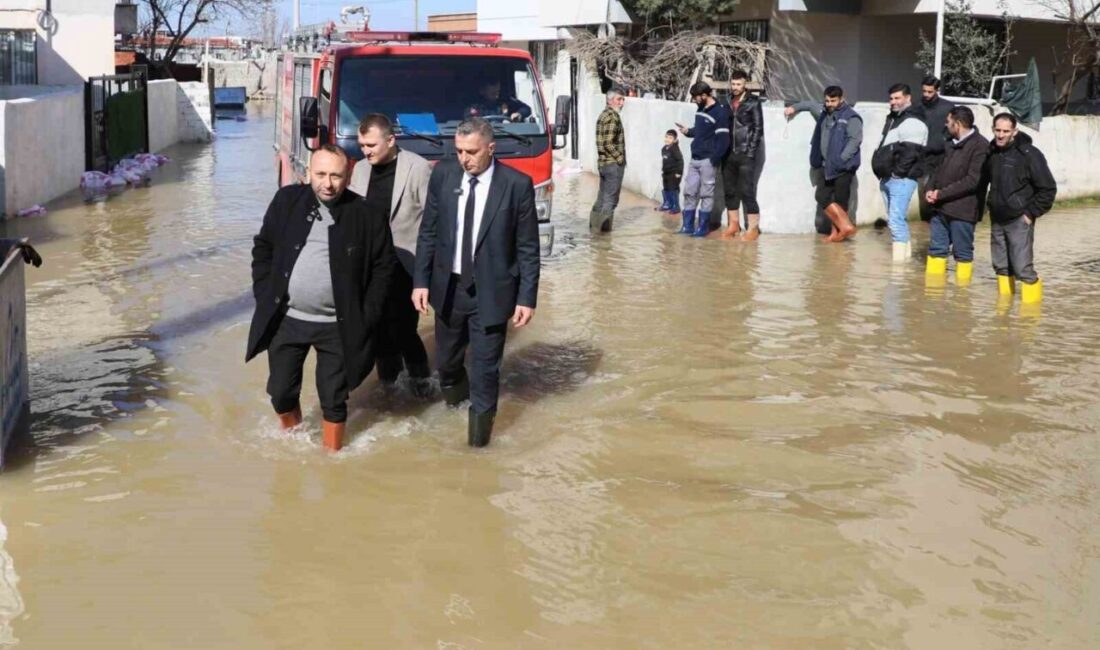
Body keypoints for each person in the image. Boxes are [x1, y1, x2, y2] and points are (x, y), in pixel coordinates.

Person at [247, 145, 395, 452]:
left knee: (333, 398)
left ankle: (332, 459)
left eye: (335, 176)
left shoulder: (367, 215)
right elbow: (263, 248)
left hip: (336, 325)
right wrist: (264, 293)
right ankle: (294, 441)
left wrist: (366, 316)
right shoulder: (286, 201)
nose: (327, 183)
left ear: (349, 176)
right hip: (287, 319)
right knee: (281, 392)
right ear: (308, 172)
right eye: (320, 174)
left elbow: (384, 269)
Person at [412, 117, 540, 448]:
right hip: (449, 289)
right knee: (447, 364)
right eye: (459, 151)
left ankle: (477, 446)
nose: (464, 159)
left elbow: (528, 248)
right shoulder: (443, 175)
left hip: (492, 293)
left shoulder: (516, 185)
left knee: (485, 372)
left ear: (491, 149)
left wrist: (527, 297)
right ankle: (456, 407)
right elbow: (428, 232)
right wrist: (420, 281)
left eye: (471, 152)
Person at [349, 113, 433, 396]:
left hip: (407, 266)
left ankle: (422, 384)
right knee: (378, 328)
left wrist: (427, 271)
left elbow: (433, 222)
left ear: (391, 140)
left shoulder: (418, 168)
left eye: (371, 145)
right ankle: (389, 389)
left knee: (406, 329)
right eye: (362, 145)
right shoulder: (360, 170)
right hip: (372, 268)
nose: (365, 151)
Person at [979, 113, 1057, 303]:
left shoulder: (1030, 154)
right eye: (997, 130)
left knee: (1023, 269)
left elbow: (1048, 189)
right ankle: (1004, 314)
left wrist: (1030, 214)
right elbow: (983, 181)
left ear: (1015, 131)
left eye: (1006, 131)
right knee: (1000, 266)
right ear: (992, 129)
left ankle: (1030, 318)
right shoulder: (992, 152)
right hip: (997, 218)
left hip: (1019, 219)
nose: (1001, 135)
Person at [784, 85, 862, 242]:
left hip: (843, 167)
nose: (829, 104)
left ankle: (837, 234)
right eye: (827, 101)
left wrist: (841, 159)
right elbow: (810, 105)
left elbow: (855, 141)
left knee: (841, 201)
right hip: (826, 166)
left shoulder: (851, 117)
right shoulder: (822, 113)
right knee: (822, 196)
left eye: (833, 101)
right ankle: (845, 227)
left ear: (841, 99)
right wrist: (794, 108)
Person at [923, 105, 988, 285]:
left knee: (963, 253)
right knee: (936, 250)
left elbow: (973, 181)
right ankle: (933, 295)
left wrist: (941, 194)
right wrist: (929, 189)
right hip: (939, 208)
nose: (946, 126)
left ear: (957, 124)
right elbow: (937, 170)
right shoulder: (950, 143)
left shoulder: (981, 146)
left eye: (948, 122)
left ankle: (962, 298)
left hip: (963, 211)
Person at [871, 82, 928, 261]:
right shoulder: (893, 119)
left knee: (895, 222)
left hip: (901, 179)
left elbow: (911, 152)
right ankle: (905, 261)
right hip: (889, 177)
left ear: (908, 98)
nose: (893, 101)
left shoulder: (913, 120)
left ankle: (898, 270)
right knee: (896, 221)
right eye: (891, 98)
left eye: (897, 98)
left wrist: (897, 173)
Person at [677, 81, 731, 237]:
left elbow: (724, 139)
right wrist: (688, 131)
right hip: (695, 158)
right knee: (689, 191)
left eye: (696, 97)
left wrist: (715, 158)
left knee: (706, 194)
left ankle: (702, 228)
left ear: (705, 95)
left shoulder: (720, 112)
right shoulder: (700, 109)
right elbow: (700, 131)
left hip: (708, 160)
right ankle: (687, 226)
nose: (694, 100)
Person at [717, 69, 764, 241]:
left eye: (739, 84)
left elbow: (758, 129)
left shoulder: (753, 102)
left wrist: (750, 152)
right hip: (728, 153)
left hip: (745, 153)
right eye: (733, 84)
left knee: (747, 191)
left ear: (745, 84)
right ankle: (733, 224)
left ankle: (753, 228)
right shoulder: (727, 100)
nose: (735, 87)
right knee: (730, 191)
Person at [917, 76, 956, 222]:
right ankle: (927, 221)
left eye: (930, 92)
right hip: (922, 157)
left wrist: (944, 142)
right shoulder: (916, 106)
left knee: (942, 188)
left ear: (937, 90)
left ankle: (941, 219)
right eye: (924, 91)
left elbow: (954, 128)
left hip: (943, 155)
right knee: (925, 190)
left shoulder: (948, 107)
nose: (926, 95)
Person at [591, 89, 626, 232]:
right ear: (610, 100)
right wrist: (620, 158)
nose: (622, 103)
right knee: (611, 200)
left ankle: (593, 229)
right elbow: (608, 143)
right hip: (612, 165)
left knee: (601, 198)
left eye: (623, 99)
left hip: (603, 164)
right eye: (619, 99)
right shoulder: (613, 117)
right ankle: (604, 239)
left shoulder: (603, 115)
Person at [656, 129, 683, 214]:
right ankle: (667, 204)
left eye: (670, 138)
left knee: (673, 188)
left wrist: (679, 172)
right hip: (666, 173)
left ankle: (675, 206)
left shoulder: (675, 149)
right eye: (666, 137)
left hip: (674, 173)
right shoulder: (664, 148)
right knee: (666, 188)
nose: (667, 139)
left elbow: (680, 161)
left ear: (675, 140)